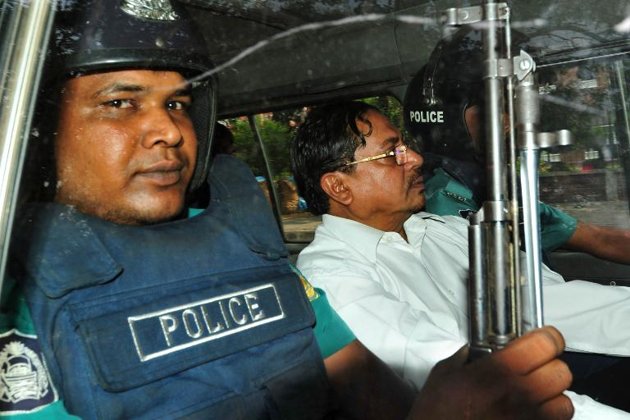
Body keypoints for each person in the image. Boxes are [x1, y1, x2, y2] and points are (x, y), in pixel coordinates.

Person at [3, 1, 574, 419]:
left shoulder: (243, 246)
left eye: (177, 102)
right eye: (120, 103)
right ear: (38, 131)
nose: (168, 130)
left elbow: (371, 393)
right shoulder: (20, 298)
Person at [291, 100, 630, 418]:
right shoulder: (331, 277)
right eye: (392, 153)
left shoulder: (449, 231)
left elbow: (551, 300)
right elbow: (469, 382)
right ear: (339, 187)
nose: (415, 159)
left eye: (405, 146)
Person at [402, 26, 630, 263]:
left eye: (508, 108)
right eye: (493, 110)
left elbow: (600, 238)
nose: (510, 122)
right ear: (447, 119)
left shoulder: (497, 187)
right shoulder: (440, 201)